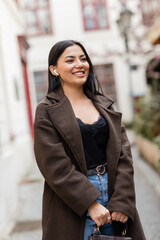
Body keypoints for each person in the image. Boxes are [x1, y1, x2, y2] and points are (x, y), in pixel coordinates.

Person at [33, 40, 146, 240]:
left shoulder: (104, 103)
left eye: (83, 59)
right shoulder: (46, 110)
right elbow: (53, 164)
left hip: (113, 191)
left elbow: (123, 154)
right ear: (54, 69)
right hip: (72, 200)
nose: (79, 64)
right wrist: (90, 203)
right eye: (70, 60)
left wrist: (122, 199)